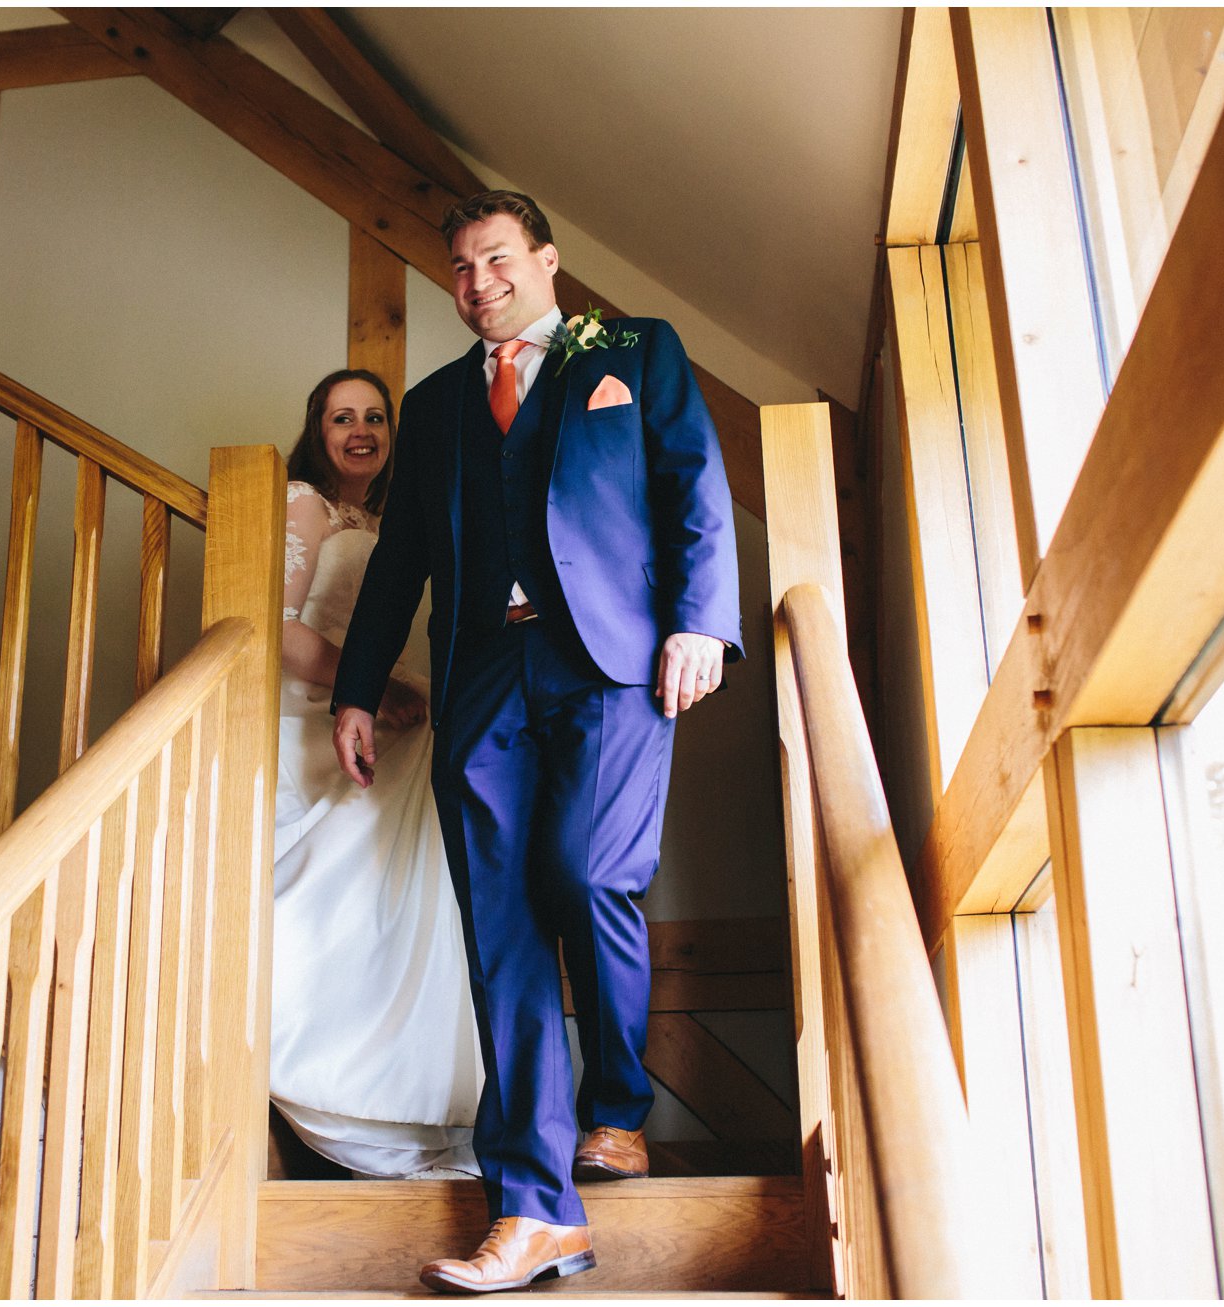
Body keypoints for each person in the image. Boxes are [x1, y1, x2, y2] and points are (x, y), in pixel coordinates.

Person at [331, 192, 741, 1294]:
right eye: (460, 268)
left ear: (546, 261)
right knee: (499, 928)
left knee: (588, 869)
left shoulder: (634, 351)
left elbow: (694, 484)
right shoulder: (434, 405)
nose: (477, 282)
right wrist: (356, 690)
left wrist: (701, 619)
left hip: (610, 662)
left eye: (497, 259)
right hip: (481, 675)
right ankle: (532, 1207)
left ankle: (614, 1108)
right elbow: (400, 559)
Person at [270, 368, 484, 1179]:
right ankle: (327, 1075)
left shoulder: (394, 517)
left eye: (374, 417)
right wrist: (371, 687)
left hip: (386, 716)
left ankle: (414, 1094)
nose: (359, 430)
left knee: (410, 897)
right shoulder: (304, 503)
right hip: (313, 723)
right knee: (334, 899)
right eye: (340, 417)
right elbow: (275, 627)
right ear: (314, 431)